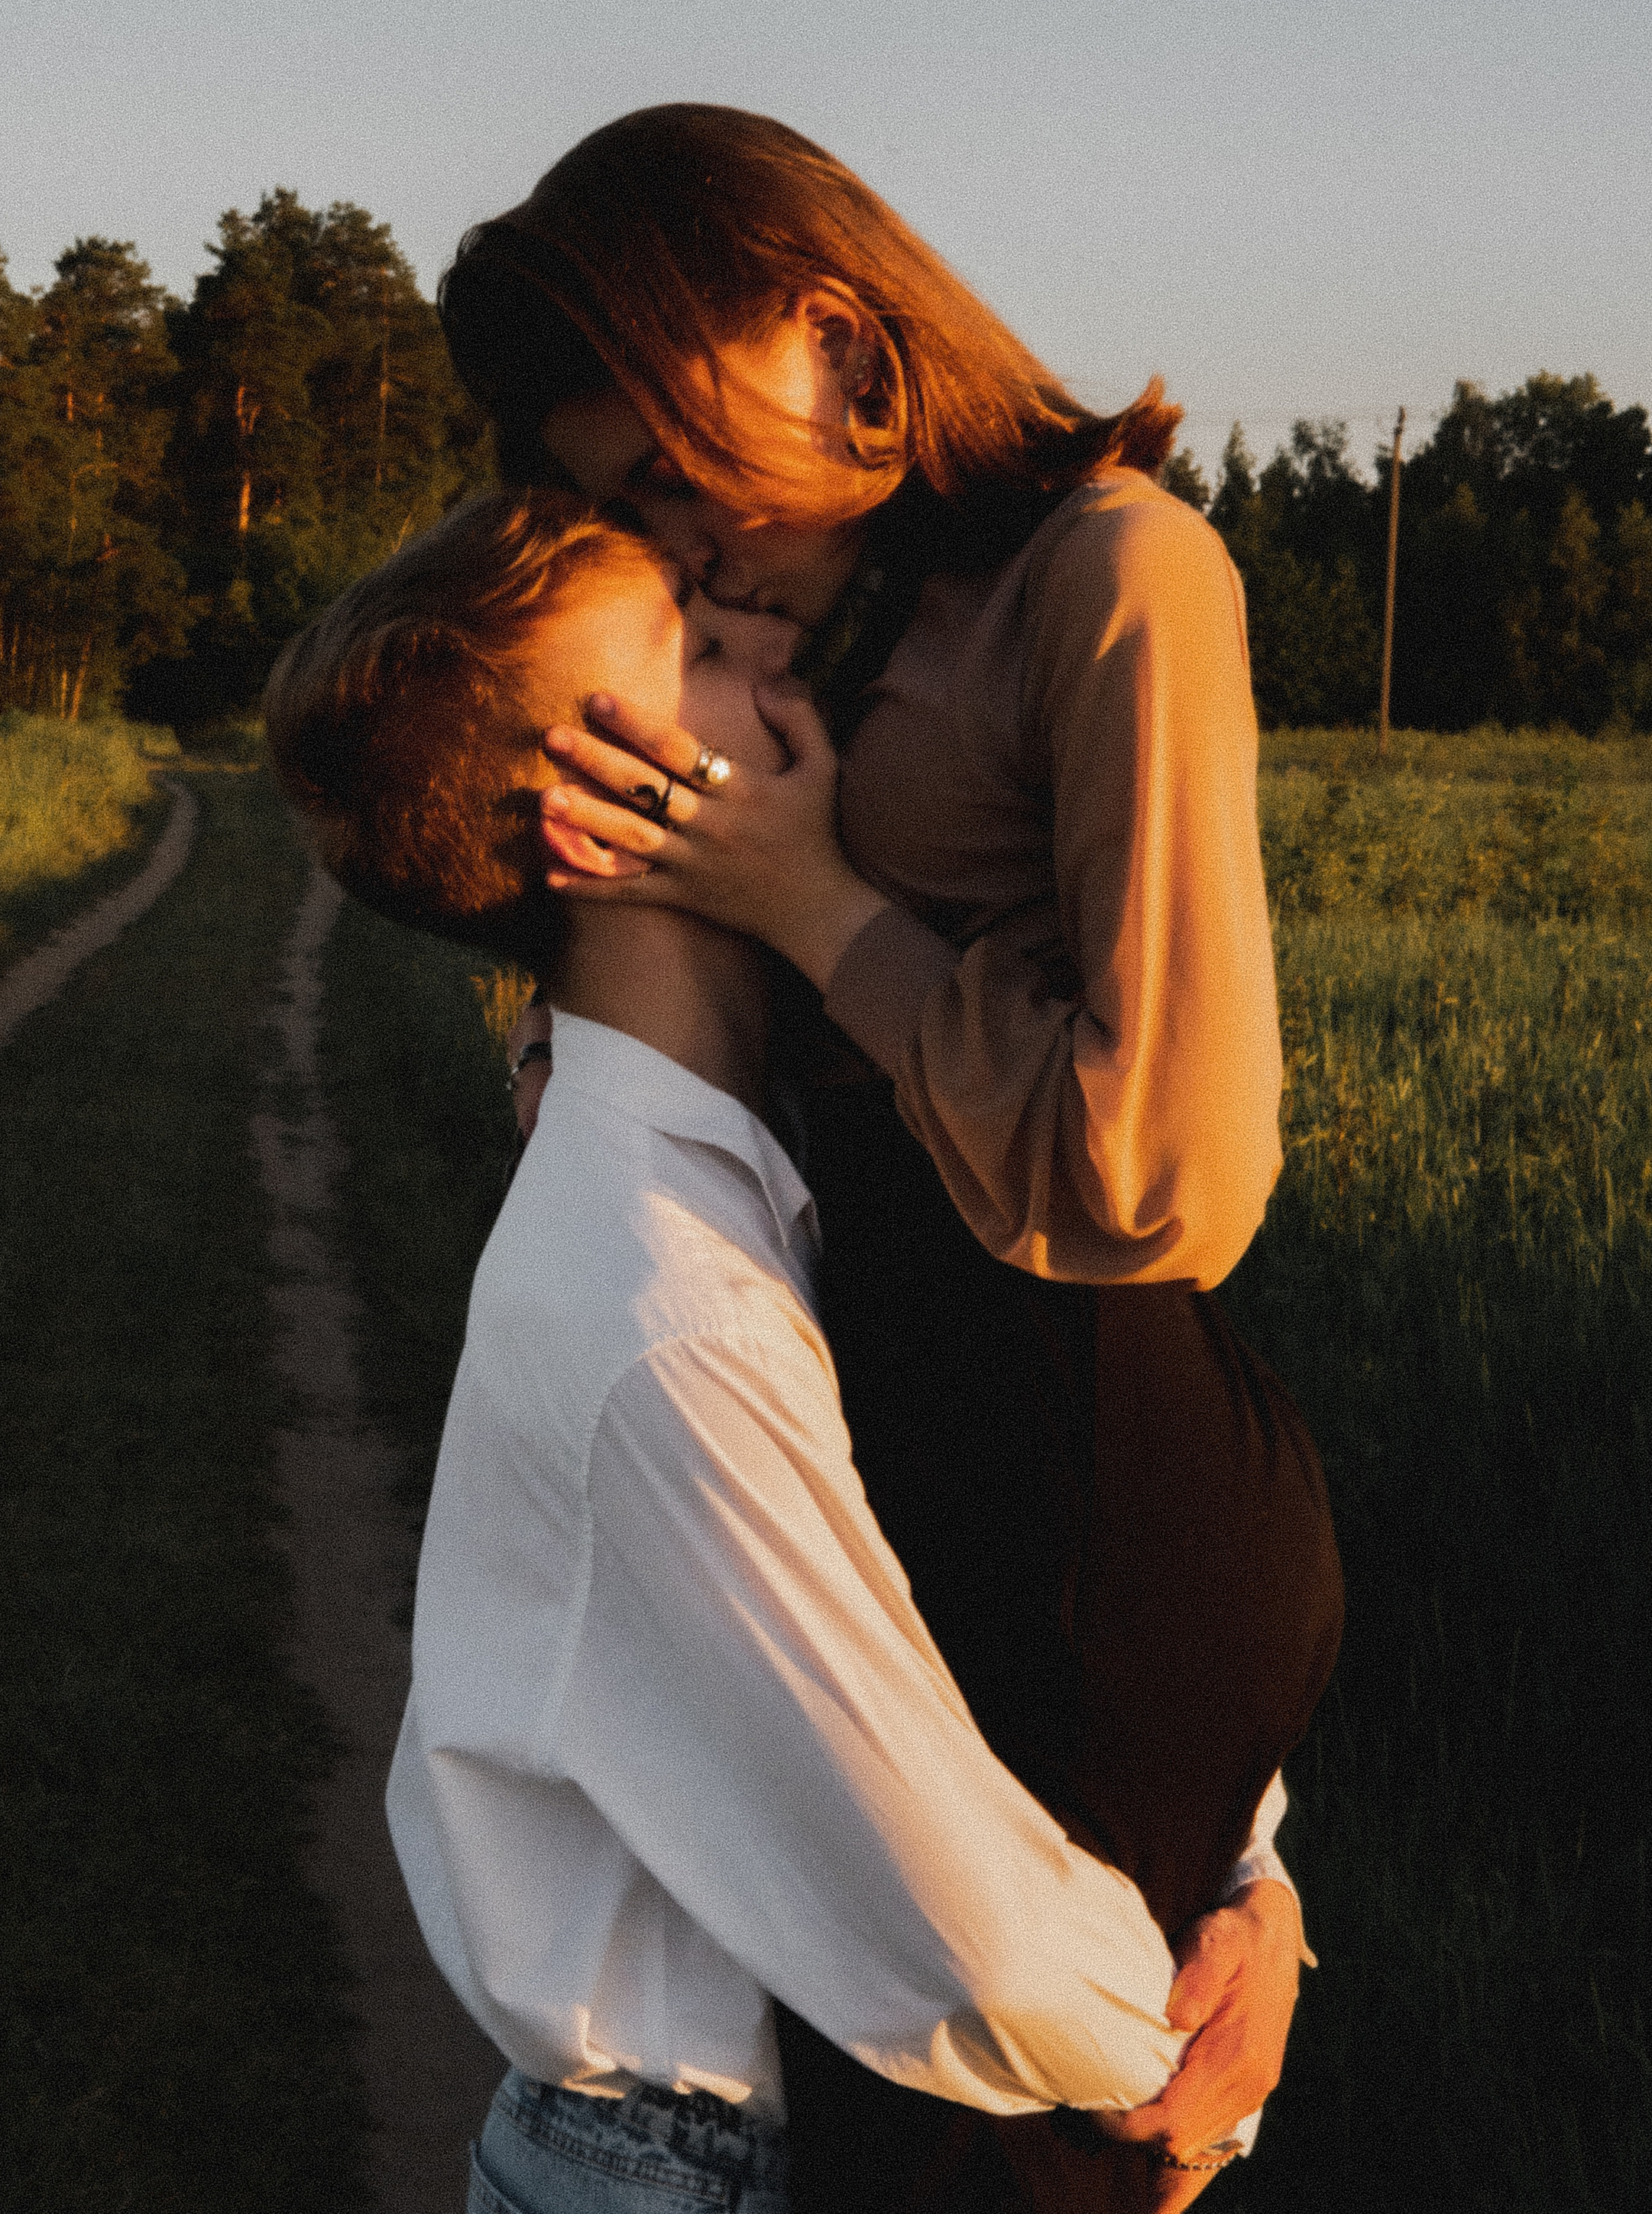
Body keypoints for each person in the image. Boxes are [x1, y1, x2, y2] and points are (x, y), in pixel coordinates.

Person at [436, 105, 1345, 2210]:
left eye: (672, 467)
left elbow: (1160, 1182)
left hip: (1072, 1481)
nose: (675, 542)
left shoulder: (1114, 576)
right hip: (893, 1490)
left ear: (845, 338)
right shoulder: (818, 616)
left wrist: (812, 908)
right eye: (610, 502)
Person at [265, 491, 1306, 2214]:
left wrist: (1248, 1889)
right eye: (698, 646)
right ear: (601, 818)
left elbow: (1038, 1604)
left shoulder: (795, 1174)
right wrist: (1192, 2066)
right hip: (692, 2173)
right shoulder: (659, 1309)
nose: (782, 647)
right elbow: (955, 1925)